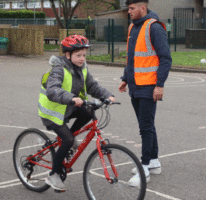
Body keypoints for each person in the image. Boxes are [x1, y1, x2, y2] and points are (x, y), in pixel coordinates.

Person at [39, 35, 115, 191]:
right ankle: (53, 176)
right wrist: (72, 98)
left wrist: (107, 95)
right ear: (68, 55)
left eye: (84, 56)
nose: (82, 59)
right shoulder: (59, 69)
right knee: (67, 140)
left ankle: (69, 139)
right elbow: (52, 90)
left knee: (88, 112)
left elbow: (93, 86)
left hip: (67, 107)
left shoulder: (82, 68)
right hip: (52, 111)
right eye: (78, 55)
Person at [118, 0, 172, 187]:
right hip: (135, 86)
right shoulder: (133, 27)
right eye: (128, 9)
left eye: (132, 8)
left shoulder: (154, 27)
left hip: (149, 86)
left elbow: (165, 58)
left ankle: (144, 168)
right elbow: (132, 58)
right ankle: (154, 162)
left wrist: (160, 85)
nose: (129, 12)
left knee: (145, 128)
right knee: (146, 125)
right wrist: (125, 78)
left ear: (143, 7)